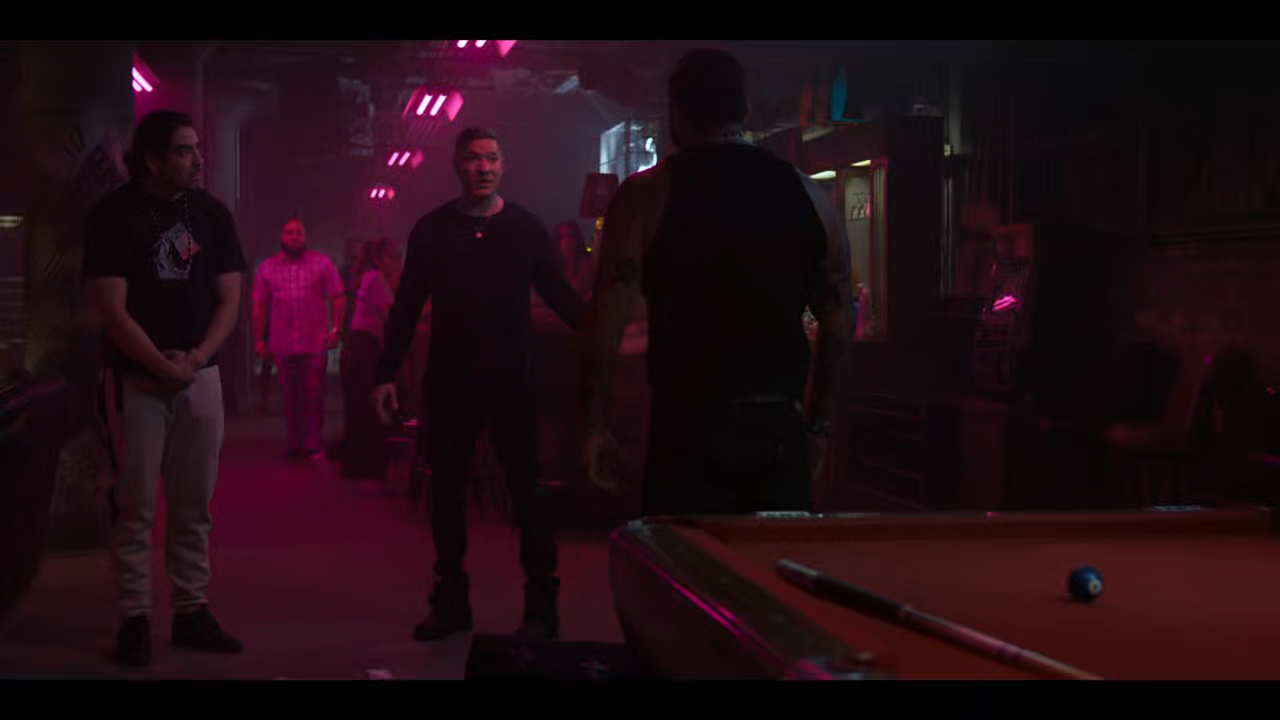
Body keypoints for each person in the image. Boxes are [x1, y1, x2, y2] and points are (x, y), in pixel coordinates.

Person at [580, 48, 855, 516]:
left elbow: (606, 320)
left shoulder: (647, 195)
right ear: (745, 109)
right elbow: (839, 321)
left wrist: (592, 425)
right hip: (778, 426)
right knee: (773, 560)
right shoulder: (807, 193)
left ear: (675, 112)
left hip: (689, 425)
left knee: (683, 561)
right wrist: (819, 426)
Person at [373, 127, 586, 642]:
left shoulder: (525, 229)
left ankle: (541, 603)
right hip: (452, 380)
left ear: (503, 165)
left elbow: (560, 297)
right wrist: (385, 373)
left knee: (527, 491)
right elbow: (406, 306)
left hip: (513, 379)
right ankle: (452, 599)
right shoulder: (432, 231)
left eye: (491, 158)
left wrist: (607, 332)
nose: (483, 167)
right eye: (473, 158)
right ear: (457, 165)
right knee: (448, 493)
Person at [82, 109, 247, 666]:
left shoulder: (211, 215)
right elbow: (112, 309)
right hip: (135, 380)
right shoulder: (115, 214)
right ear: (151, 159)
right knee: (133, 504)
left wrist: (194, 359)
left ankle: (191, 609)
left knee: (194, 503)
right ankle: (135, 616)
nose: (198, 159)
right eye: (183, 150)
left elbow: (230, 300)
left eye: (197, 148)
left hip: (200, 376)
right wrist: (159, 364)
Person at [250, 218, 345, 460]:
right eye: (290, 233)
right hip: (283, 343)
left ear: (305, 237)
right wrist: (258, 338)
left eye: (299, 233)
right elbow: (259, 304)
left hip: (314, 342)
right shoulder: (267, 268)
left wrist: (337, 330)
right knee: (290, 396)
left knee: (314, 395)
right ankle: (294, 442)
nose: (294, 237)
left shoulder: (321, 263)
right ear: (282, 237)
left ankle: (313, 442)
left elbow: (338, 296)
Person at [339, 237, 403, 480]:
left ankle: (358, 464)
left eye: (399, 256)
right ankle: (367, 465)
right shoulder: (375, 279)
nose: (398, 261)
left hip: (359, 346)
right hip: (365, 348)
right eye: (393, 256)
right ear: (379, 258)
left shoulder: (371, 277)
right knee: (369, 407)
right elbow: (390, 317)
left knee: (361, 407)